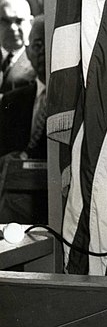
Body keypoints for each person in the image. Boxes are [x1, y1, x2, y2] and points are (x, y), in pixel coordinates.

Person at [0, 15, 47, 223]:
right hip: (15, 204)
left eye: (49, 44)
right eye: (37, 45)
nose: (44, 51)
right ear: (27, 51)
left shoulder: (76, 100)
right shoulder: (12, 101)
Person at [0, 0, 35, 95]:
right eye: (5, 21)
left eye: (19, 21)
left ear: (30, 23)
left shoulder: (35, 63)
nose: (12, 27)